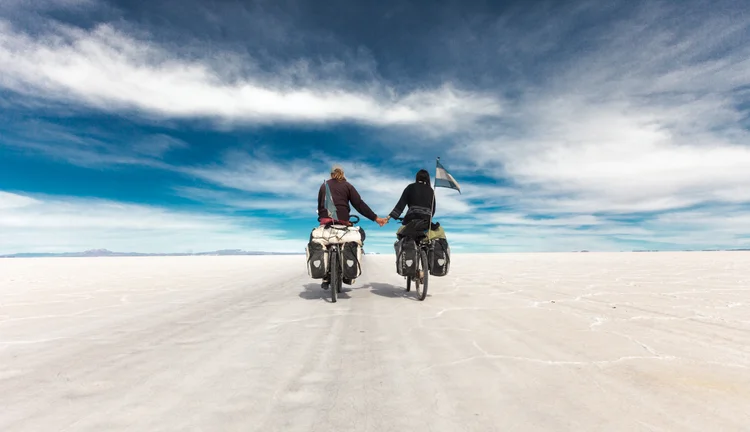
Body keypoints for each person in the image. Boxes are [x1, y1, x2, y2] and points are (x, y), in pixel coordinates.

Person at [316, 164, 387, 290]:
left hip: (326, 221)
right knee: (355, 237)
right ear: (342, 173)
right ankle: (347, 273)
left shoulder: (324, 186)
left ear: (331, 174)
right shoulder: (348, 186)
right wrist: (376, 218)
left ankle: (325, 275)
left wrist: (323, 216)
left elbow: (320, 204)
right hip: (343, 221)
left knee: (325, 240)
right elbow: (359, 204)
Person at [383, 169, 436, 234]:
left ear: (417, 177)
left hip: (412, 218)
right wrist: (428, 218)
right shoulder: (431, 190)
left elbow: (401, 204)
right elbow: (433, 209)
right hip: (426, 220)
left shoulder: (410, 187)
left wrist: (389, 217)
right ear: (428, 178)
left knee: (400, 233)